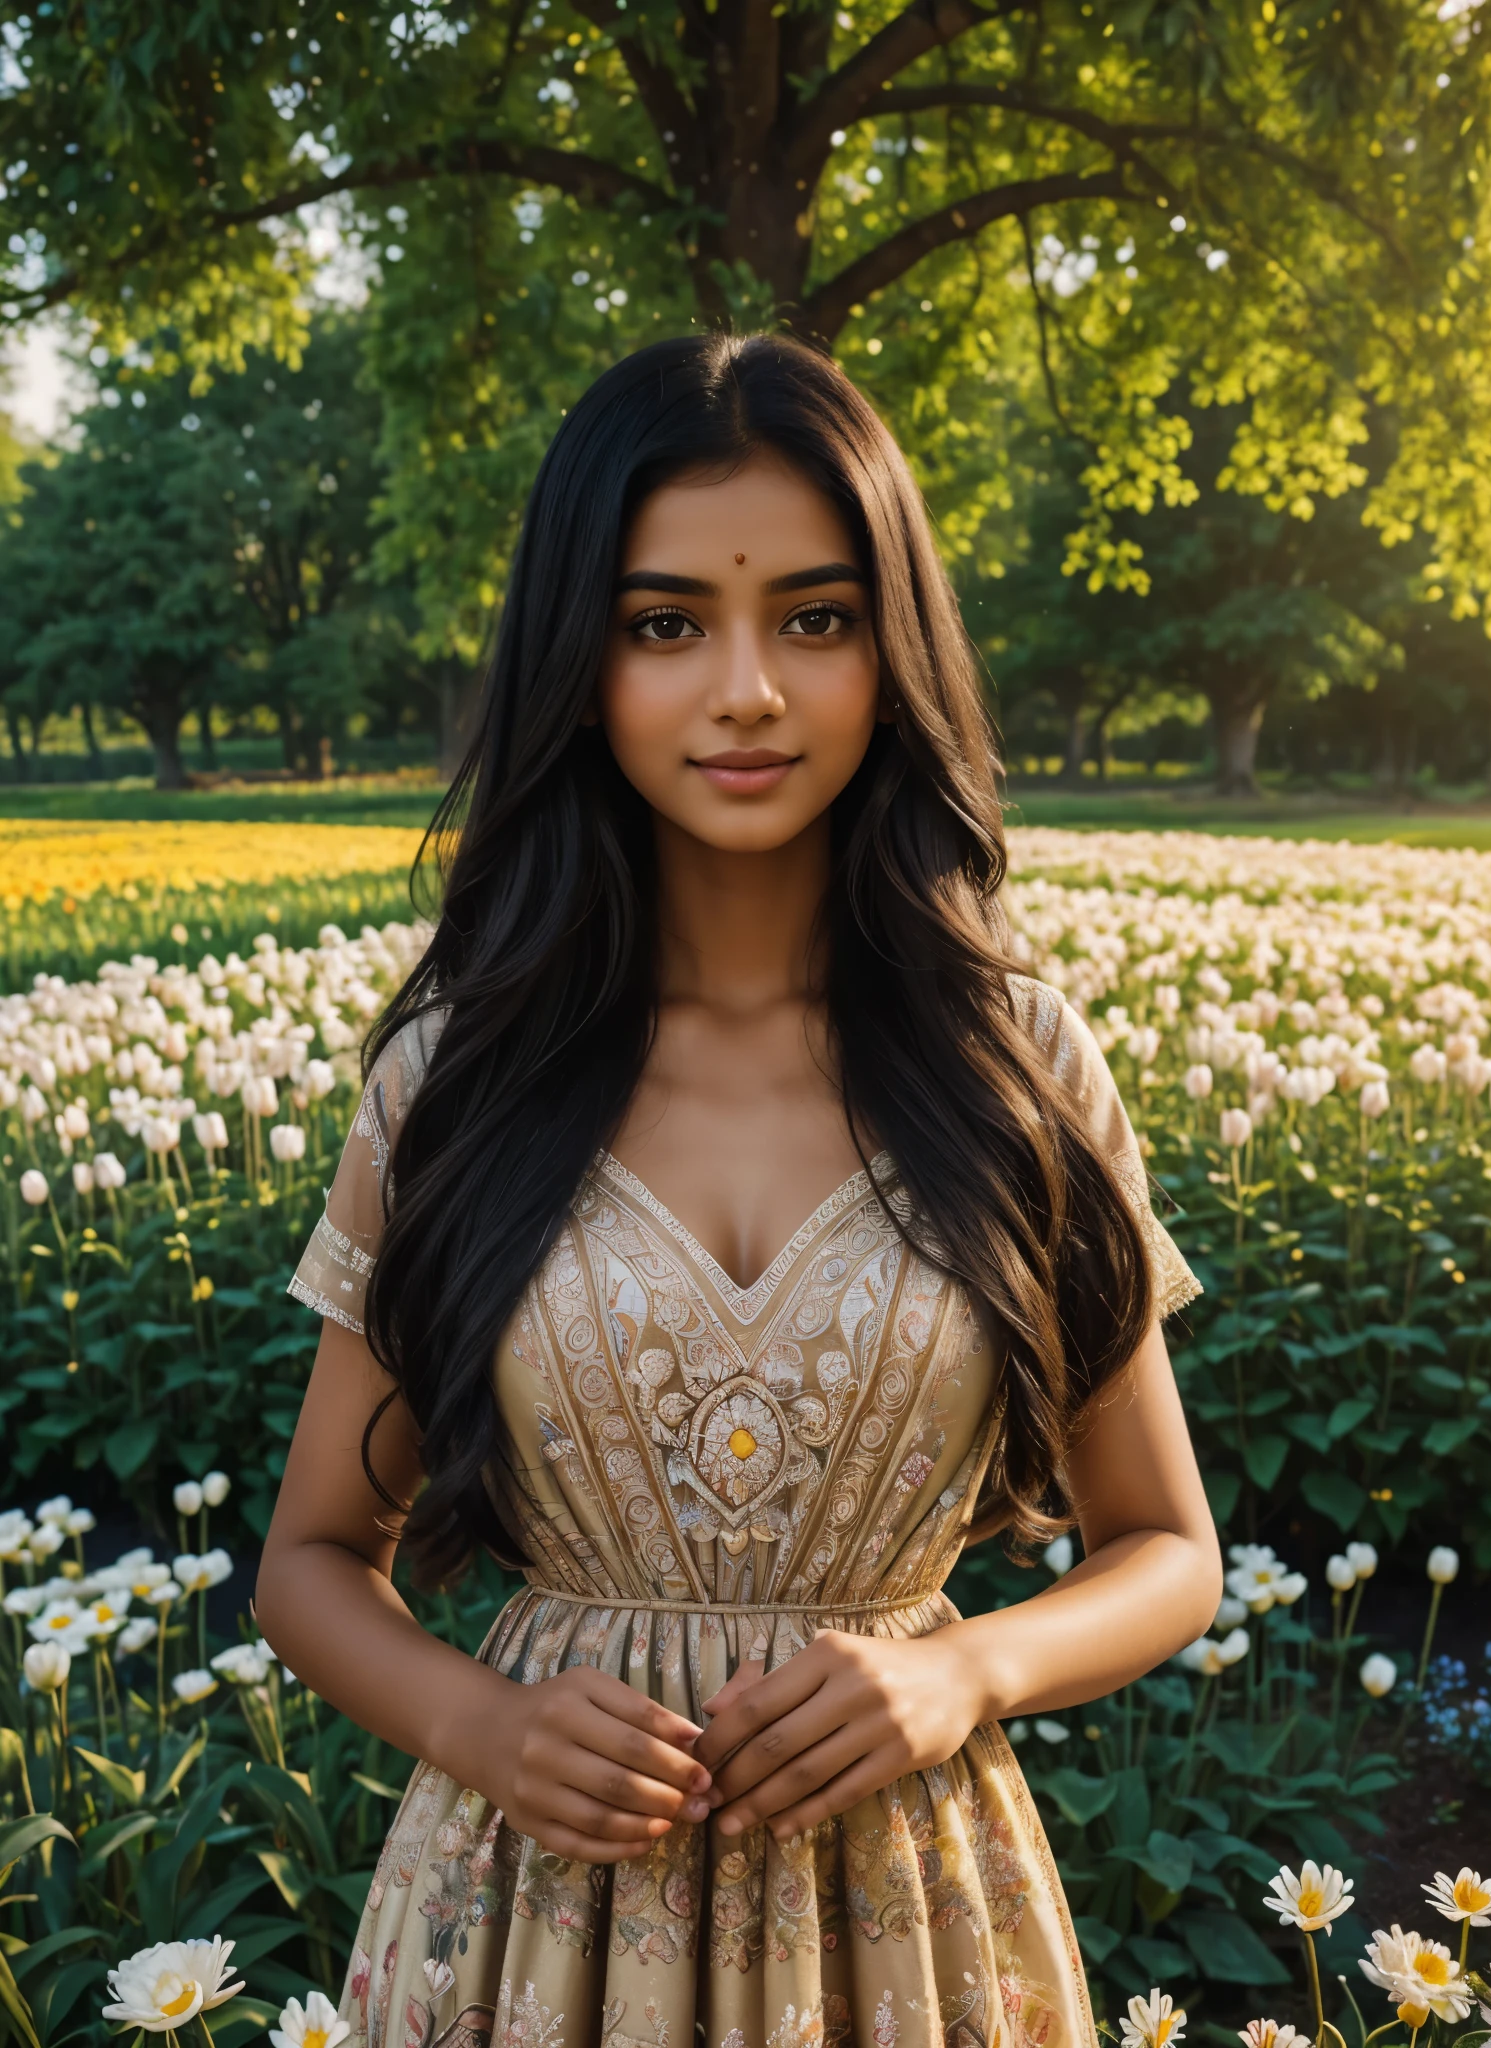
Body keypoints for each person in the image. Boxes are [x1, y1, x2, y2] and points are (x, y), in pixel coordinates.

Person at [255, 331, 1222, 2048]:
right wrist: (475, 1723)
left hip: (904, 1922)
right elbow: (314, 1562)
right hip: (529, 1934)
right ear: (582, 656)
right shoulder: (460, 1082)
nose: (748, 688)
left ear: (890, 646)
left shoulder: (1020, 1065)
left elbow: (1166, 1545)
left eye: (817, 618)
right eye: (665, 622)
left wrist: (963, 1670)